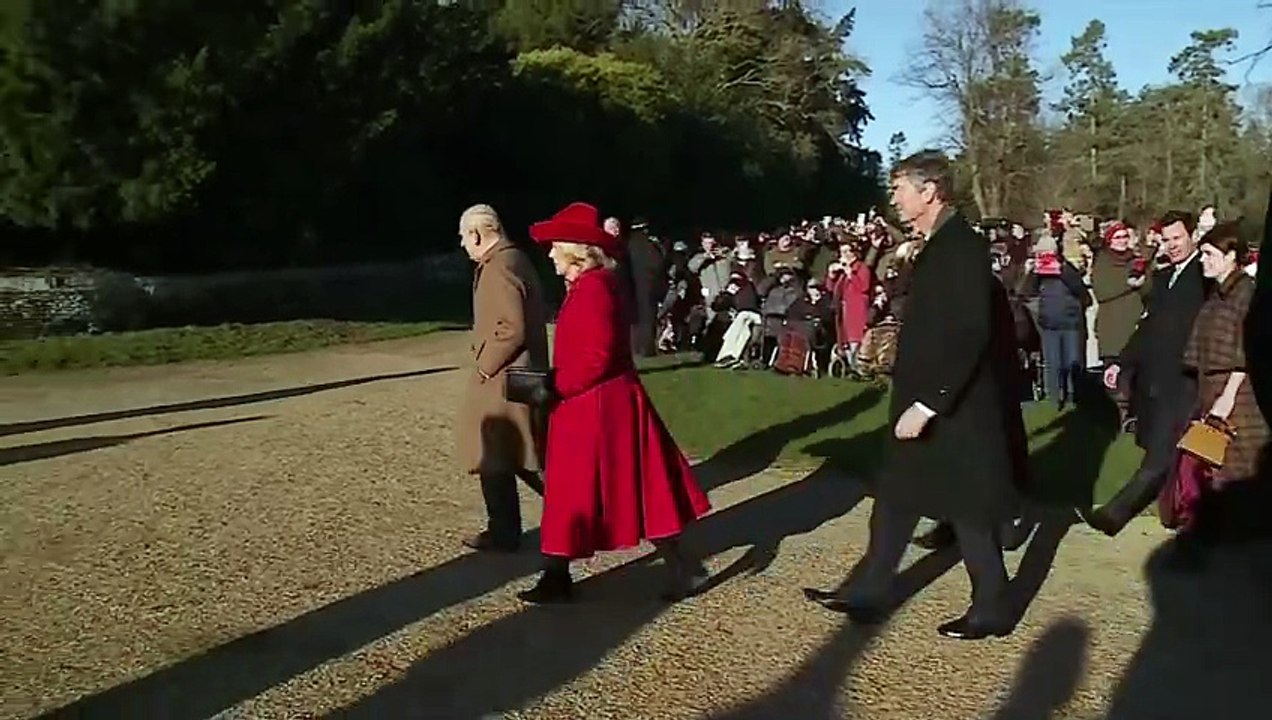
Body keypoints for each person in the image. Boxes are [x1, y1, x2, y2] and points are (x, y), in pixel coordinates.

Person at [805, 150, 1024, 640]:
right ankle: (866, 591)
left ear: (930, 190)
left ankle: (993, 604)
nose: (894, 198)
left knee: (967, 509)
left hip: (954, 404)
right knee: (897, 497)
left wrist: (929, 404)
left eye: (900, 188)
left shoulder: (961, 247)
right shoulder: (938, 244)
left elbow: (970, 333)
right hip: (927, 397)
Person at [518, 201, 712, 604]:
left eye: (555, 246)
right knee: (582, 491)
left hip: (601, 406)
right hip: (588, 405)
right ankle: (557, 573)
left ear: (575, 249)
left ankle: (682, 566)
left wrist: (556, 385)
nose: (550, 253)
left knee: (634, 488)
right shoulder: (589, 287)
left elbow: (597, 357)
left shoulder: (594, 289)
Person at [1083, 210, 1207, 535]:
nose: (1172, 245)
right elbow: (1147, 330)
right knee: (1163, 451)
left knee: (1161, 455)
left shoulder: (1204, 275)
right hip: (1156, 378)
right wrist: (1120, 362)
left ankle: (1115, 514)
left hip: (1187, 380)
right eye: (1166, 240)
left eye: (1177, 238)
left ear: (1193, 235)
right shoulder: (1165, 279)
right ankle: (1182, 516)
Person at [453, 204, 549, 552]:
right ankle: (506, 527)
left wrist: (484, 365)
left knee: (503, 450)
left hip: (506, 374)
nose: (463, 244)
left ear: (477, 234)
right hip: (521, 371)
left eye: (465, 236)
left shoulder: (499, 267)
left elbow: (511, 327)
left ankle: (509, 529)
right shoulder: (514, 261)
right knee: (514, 451)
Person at [1180, 223, 1269, 541]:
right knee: (1216, 470)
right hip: (1212, 389)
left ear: (1231, 255)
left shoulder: (1246, 293)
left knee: (1242, 469)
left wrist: (1228, 396)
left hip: (1239, 397)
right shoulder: (1216, 295)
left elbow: (1248, 350)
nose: (1202, 260)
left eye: (1208, 254)